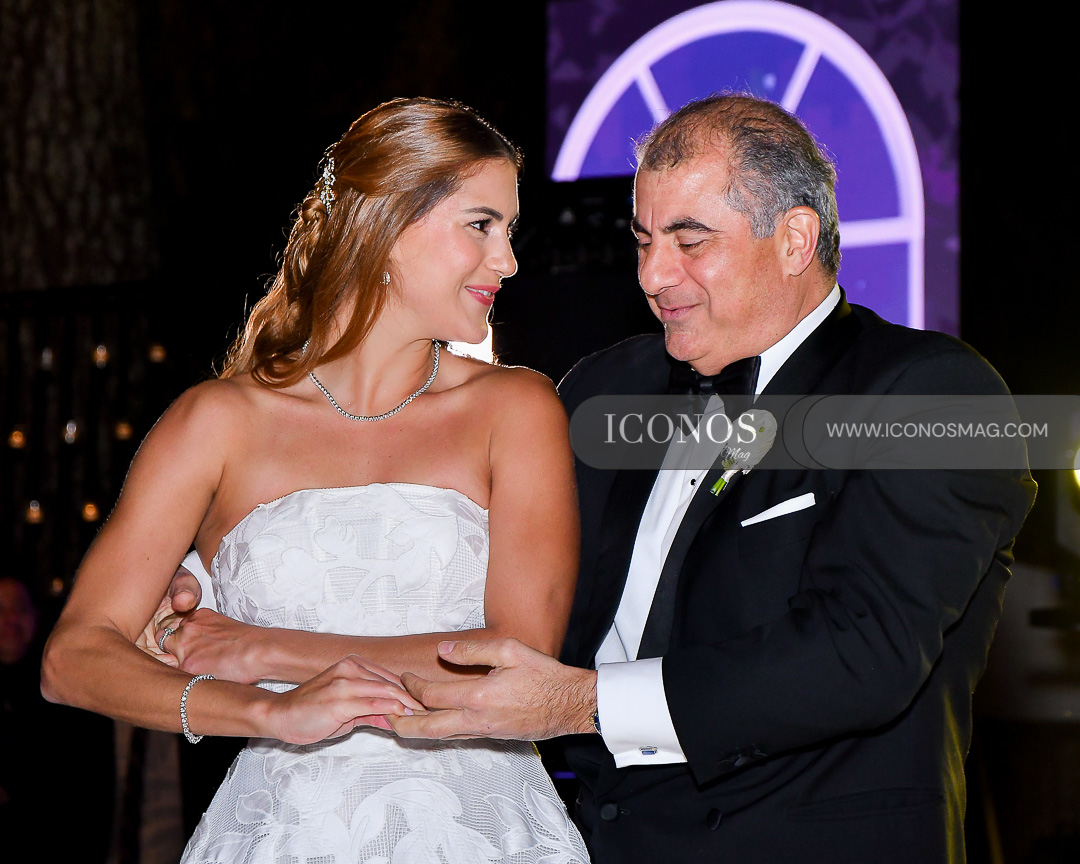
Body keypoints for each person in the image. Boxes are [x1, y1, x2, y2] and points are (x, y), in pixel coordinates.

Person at [386, 94, 1037, 863]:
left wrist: (581, 703)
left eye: (690, 241)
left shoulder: (936, 394)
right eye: (643, 241)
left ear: (794, 239)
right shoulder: (603, 389)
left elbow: (860, 652)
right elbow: (510, 595)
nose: (653, 274)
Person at [42, 97, 590, 863]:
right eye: (481, 225)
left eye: (508, 230)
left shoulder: (516, 408)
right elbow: (72, 660)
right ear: (386, 226)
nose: (508, 261)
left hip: (481, 831)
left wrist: (262, 651)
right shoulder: (217, 422)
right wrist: (263, 714)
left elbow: (514, 661)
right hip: (279, 833)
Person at [2, 576, 114, 861]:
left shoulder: (64, 689)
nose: (10, 620)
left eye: (20, 609)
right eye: (0, 610)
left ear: (36, 616)